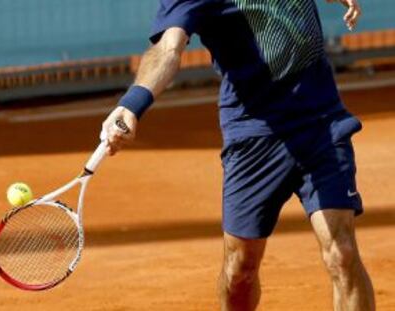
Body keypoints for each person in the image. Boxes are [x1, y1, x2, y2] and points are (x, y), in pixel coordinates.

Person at [102, 0, 375, 310]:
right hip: (253, 137)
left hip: (320, 122)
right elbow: (169, 49)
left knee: (342, 253)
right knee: (240, 270)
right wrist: (133, 103)